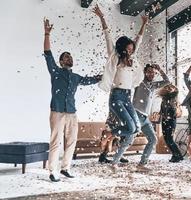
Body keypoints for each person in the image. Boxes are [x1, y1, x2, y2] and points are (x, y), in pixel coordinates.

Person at [43, 18, 102, 182]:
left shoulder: (76, 77)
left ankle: (65, 168)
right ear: (61, 62)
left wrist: (104, 76)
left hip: (72, 113)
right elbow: (48, 54)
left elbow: (91, 80)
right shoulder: (55, 71)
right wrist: (47, 34)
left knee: (71, 141)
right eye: (66, 57)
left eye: (70, 57)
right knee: (55, 142)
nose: (70, 59)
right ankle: (52, 171)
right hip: (57, 112)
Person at [93, 5, 148, 171]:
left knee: (136, 128)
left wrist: (144, 24)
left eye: (132, 48)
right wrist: (102, 17)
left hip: (127, 96)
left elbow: (138, 40)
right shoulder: (115, 57)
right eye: (129, 48)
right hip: (116, 96)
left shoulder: (132, 59)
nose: (132, 49)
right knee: (130, 128)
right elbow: (107, 36)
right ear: (123, 47)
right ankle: (110, 134)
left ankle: (111, 134)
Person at [132, 64, 170, 170]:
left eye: (153, 72)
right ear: (144, 73)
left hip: (145, 118)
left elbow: (167, 81)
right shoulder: (139, 82)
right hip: (136, 114)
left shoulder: (154, 85)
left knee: (153, 139)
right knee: (128, 140)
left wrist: (160, 69)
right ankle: (114, 161)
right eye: (149, 71)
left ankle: (142, 164)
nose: (151, 73)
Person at [158, 84, 184, 163]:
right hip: (164, 121)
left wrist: (168, 116)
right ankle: (174, 155)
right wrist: (160, 115)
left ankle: (178, 155)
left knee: (170, 139)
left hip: (171, 121)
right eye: (168, 88)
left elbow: (174, 112)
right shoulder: (164, 99)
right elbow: (162, 110)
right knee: (167, 139)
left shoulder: (173, 99)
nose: (169, 89)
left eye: (171, 88)